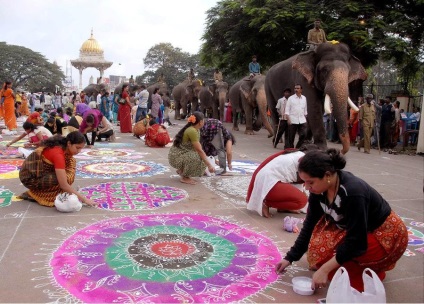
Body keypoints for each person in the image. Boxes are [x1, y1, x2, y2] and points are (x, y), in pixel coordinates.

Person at [275, 149, 408, 292]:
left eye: (310, 182)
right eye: (304, 182)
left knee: (334, 271)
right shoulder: (318, 191)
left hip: (384, 235)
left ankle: (373, 270)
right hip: (358, 230)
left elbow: (356, 242)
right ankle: (363, 266)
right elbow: (309, 226)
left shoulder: (353, 192)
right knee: (321, 257)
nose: (306, 187)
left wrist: (326, 269)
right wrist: (290, 258)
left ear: (327, 176)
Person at [18, 131, 96, 207]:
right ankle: (36, 194)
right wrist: (84, 199)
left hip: (38, 174)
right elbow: (63, 184)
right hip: (30, 179)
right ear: (69, 143)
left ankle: (41, 192)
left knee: (70, 162)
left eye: (81, 149)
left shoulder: (62, 148)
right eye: (77, 148)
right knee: (66, 177)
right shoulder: (58, 154)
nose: (79, 151)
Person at [246, 146, 317, 218]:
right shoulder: (304, 161)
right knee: (301, 201)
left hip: (269, 180)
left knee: (301, 200)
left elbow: (299, 184)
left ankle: (281, 207)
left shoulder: (296, 154)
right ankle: (266, 203)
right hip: (269, 181)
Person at [168, 112, 215, 185]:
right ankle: (185, 177)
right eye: (203, 120)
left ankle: (182, 170)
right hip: (176, 157)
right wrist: (209, 165)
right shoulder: (192, 131)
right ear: (200, 122)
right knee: (197, 157)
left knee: (200, 156)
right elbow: (199, 150)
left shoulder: (196, 130)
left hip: (181, 154)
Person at [285, 84, 308, 148]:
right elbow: (287, 110)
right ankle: (291, 148)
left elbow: (305, 109)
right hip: (293, 120)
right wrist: (288, 119)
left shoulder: (304, 98)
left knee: (304, 134)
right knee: (291, 136)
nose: (296, 90)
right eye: (295, 88)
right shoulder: (291, 98)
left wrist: (305, 118)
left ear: (301, 90)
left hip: (302, 120)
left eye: (298, 88)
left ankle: (298, 147)